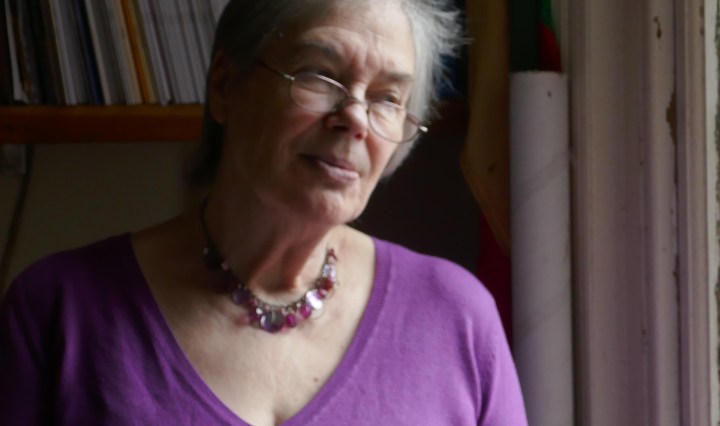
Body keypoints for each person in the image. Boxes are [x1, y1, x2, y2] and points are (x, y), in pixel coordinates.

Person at [0, 0, 527, 424]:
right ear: (225, 85)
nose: (355, 119)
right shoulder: (56, 311)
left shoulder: (456, 317)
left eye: (388, 98)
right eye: (320, 75)